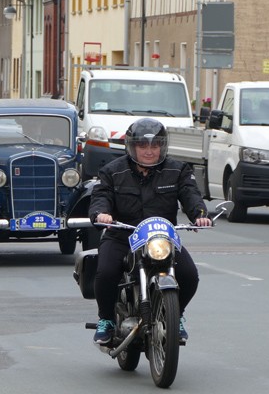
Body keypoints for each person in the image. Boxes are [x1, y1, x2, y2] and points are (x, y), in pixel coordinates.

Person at [88, 118, 212, 345]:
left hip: (161, 238)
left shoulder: (178, 170)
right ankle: (106, 319)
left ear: (162, 146)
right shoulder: (112, 171)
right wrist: (101, 214)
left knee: (189, 275)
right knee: (105, 272)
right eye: (143, 146)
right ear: (132, 146)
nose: (149, 151)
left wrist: (200, 215)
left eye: (155, 145)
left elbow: (191, 195)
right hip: (123, 236)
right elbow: (100, 197)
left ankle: (178, 314)